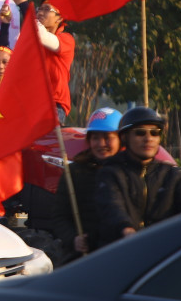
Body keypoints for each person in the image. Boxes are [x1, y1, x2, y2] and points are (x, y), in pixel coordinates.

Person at [95, 106, 181, 247]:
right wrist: (126, 230)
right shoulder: (110, 173)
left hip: (163, 254)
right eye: (140, 133)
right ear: (124, 137)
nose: (148, 139)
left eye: (154, 133)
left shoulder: (172, 175)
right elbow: (112, 207)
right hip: (121, 253)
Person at [52, 108, 122, 261]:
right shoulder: (74, 173)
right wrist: (73, 239)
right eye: (95, 138)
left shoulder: (130, 172)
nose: (101, 144)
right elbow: (59, 217)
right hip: (85, 259)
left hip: (122, 256)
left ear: (121, 139)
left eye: (107, 137)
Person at [13, 0, 73, 122]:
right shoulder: (32, 42)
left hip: (53, 105)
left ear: (60, 18)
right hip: (30, 105)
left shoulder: (66, 39)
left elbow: (40, 35)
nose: (40, 12)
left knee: (47, 142)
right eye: (39, 9)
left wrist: (24, 5)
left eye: (47, 9)